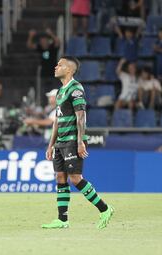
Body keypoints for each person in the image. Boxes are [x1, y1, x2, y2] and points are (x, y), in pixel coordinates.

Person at [42, 56, 114, 229]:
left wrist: (81, 141)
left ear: (69, 69)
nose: (56, 66)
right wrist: (51, 144)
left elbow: (81, 117)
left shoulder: (76, 89)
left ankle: (104, 209)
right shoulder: (60, 91)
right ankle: (62, 219)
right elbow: (57, 121)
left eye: (59, 65)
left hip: (73, 141)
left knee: (75, 179)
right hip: (60, 141)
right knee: (60, 177)